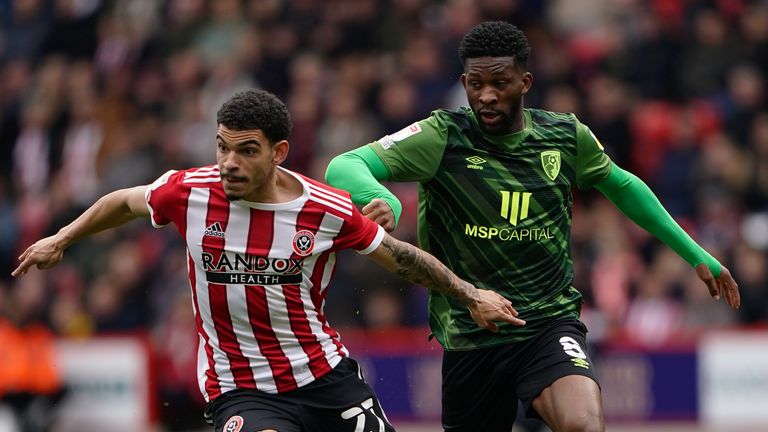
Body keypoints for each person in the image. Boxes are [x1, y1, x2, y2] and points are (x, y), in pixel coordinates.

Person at [11, 89, 522, 432]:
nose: (229, 163)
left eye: (246, 151)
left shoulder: (324, 209)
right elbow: (124, 201)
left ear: (278, 152)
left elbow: (402, 260)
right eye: (222, 147)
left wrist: (471, 294)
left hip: (324, 374)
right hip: (240, 386)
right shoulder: (188, 192)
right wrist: (62, 237)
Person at [325, 21, 741, 432]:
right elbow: (344, 165)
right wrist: (386, 200)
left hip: (548, 322)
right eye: (475, 84)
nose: (486, 96)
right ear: (463, 81)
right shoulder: (442, 136)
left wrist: (695, 253)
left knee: (583, 424)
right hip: (473, 331)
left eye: (500, 83)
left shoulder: (564, 136)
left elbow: (624, 186)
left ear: (525, 81)